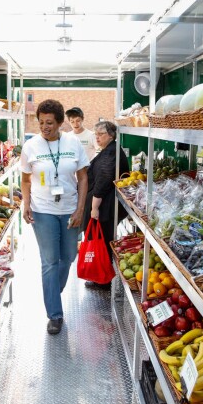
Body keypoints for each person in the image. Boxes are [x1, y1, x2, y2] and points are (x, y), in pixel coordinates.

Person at [21, 99, 90, 335]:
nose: (44, 127)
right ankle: (55, 314)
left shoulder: (73, 143)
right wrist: (26, 203)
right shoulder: (31, 146)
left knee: (68, 257)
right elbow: (25, 179)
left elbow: (82, 178)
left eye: (49, 122)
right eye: (41, 122)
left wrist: (81, 209)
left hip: (70, 209)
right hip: (43, 210)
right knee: (49, 261)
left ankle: (52, 291)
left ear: (60, 122)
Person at [82, 121, 129, 289]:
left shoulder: (111, 153)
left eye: (100, 134)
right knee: (101, 241)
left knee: (101, 242)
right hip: (106, 206)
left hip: (105, 207)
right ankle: (100, 276)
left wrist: (94, 207)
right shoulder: (110, 150)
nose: (97, 137)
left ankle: (102, 280)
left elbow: (103, 181)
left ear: (111, 135)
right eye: (96, 134)